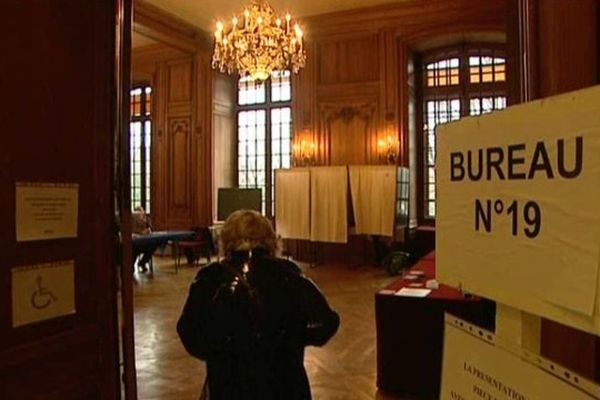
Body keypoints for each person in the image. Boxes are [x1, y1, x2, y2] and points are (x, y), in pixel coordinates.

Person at [177, 210, 340, 400]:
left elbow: (189, 332)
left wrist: (223, 352)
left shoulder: (210, 277)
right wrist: (290, 339)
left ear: (226, 240)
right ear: (270, 239)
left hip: (228, 387)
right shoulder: (289, 273)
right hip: (286, 386)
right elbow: (327, 322)